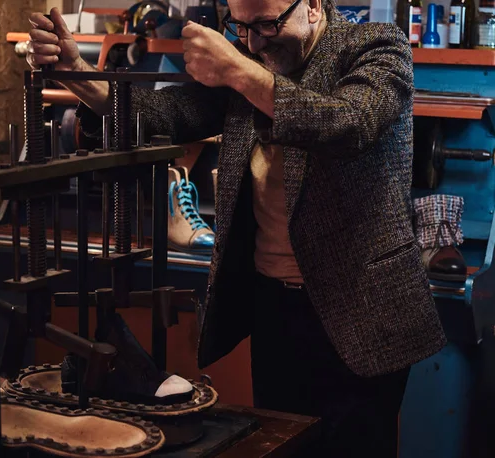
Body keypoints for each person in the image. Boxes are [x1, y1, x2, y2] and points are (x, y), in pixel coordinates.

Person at [26, 1, 446, 456]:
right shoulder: (250, 59)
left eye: (268, 23)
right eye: (241, 26)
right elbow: (162, 116)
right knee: (282, 446)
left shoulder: (376, 46)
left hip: (362, 314)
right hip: (276, 311)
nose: (254, 41)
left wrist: (237, 71)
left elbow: (349, 123)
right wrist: (78, 72)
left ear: (312, 5)